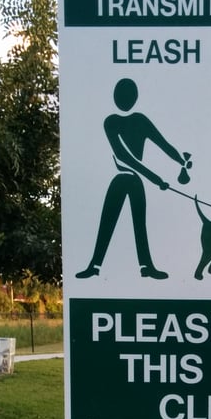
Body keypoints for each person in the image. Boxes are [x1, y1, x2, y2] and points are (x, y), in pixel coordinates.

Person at [77, 78, 190, 280]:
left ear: (135, 98)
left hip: (136, 181)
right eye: (121, 95)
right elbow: (123, 156)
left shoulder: (141, 120)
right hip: (121, 178)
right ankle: (94, 266)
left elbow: (164, 145)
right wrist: (156, 178)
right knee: (107, 222)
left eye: (127, 96)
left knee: (140, 224)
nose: (124, 99)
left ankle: (147, 266)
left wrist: (181, 161)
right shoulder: (110, 121)